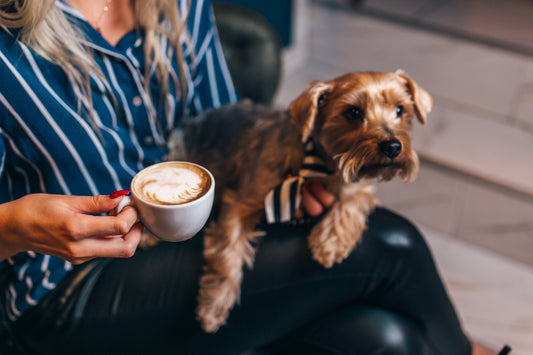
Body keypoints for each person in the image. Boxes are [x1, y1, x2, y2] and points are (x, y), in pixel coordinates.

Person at [0, 0, 498, 354]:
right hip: (63, 284)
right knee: (392, 243)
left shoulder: (177, 6)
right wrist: (14, 226)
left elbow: (225, 127)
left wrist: (286, 180)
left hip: (194, 236)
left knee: (390, 341)